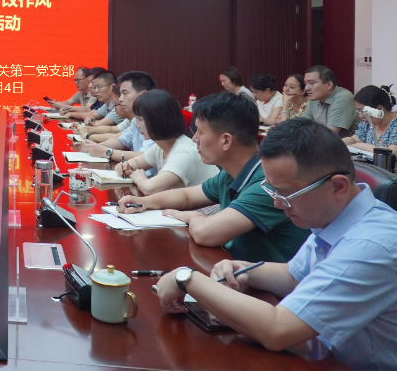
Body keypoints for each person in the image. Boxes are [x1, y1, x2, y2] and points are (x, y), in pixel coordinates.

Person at [154, 119, 397, 371]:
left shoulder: (372, 245)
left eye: (286, 194)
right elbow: (294, 275)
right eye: (273, 192)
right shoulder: (335, 215)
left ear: (337, 186)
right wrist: (246, 271)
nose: (278, 204)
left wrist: (187, 278)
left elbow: (278, 330)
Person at [118, 91, 309, 263]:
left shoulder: (267, 183)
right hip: (235, 269)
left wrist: (193, 216)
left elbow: (205, 233)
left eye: (200, 132)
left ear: (226, 141)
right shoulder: (229, 173)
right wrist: (143, 202)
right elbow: (187, 196)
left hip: (266, 286)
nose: (194, 139)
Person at [113, 90, 219, 195]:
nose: (137, 125)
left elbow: (149, 188)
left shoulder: (184, 152)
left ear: (157, 120)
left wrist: (139, 178)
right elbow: (136, 163)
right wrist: (124, 166)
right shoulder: (161, 146)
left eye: (140, 119)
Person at [81, 71, 156, 171]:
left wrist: (105, 152)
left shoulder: (156, 119)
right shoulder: (137, 119)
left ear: (143, 95)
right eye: (120, 94)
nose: (120, 99)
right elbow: (120, 141)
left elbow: (144, 156)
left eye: (125, 93)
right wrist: (94, 147)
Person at [301, 65, 360, 137]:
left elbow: (329, 135)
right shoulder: (315, 98)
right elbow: (301, 126)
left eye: (312, 83)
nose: (306, 88)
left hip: (346, 143)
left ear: (329, 84)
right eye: (305, 83)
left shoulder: (343, 97)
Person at [343, 84, 397, 156]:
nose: (360, 116)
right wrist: (338, 144)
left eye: (362, 111)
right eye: (359, 111)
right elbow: (354, 139)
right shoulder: (368, 124)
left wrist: (360, 146)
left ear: (379, 109)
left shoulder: (395, 125)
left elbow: (393, 153)